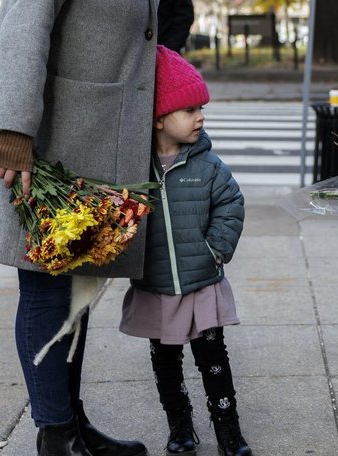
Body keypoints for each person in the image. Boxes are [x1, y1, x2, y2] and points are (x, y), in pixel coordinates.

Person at [0, 1, 157, 455]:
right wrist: (14, 128)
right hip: (49, 133)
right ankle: (57, 436)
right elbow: (23, 24)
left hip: (87, 131)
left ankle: (70, 425)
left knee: (75, 292)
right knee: (46, 289)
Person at [119, 45, 251, 456]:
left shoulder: (208, 166)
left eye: (201, 109)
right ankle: (180, 428)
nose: (200, 117)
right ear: (159, 118)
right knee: (166, 365)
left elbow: (231, 204)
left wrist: (215, 249)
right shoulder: (133, 171)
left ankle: (229, 430)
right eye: (190, 109)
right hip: (156, 284)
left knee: (214, 361)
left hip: (201, 284)